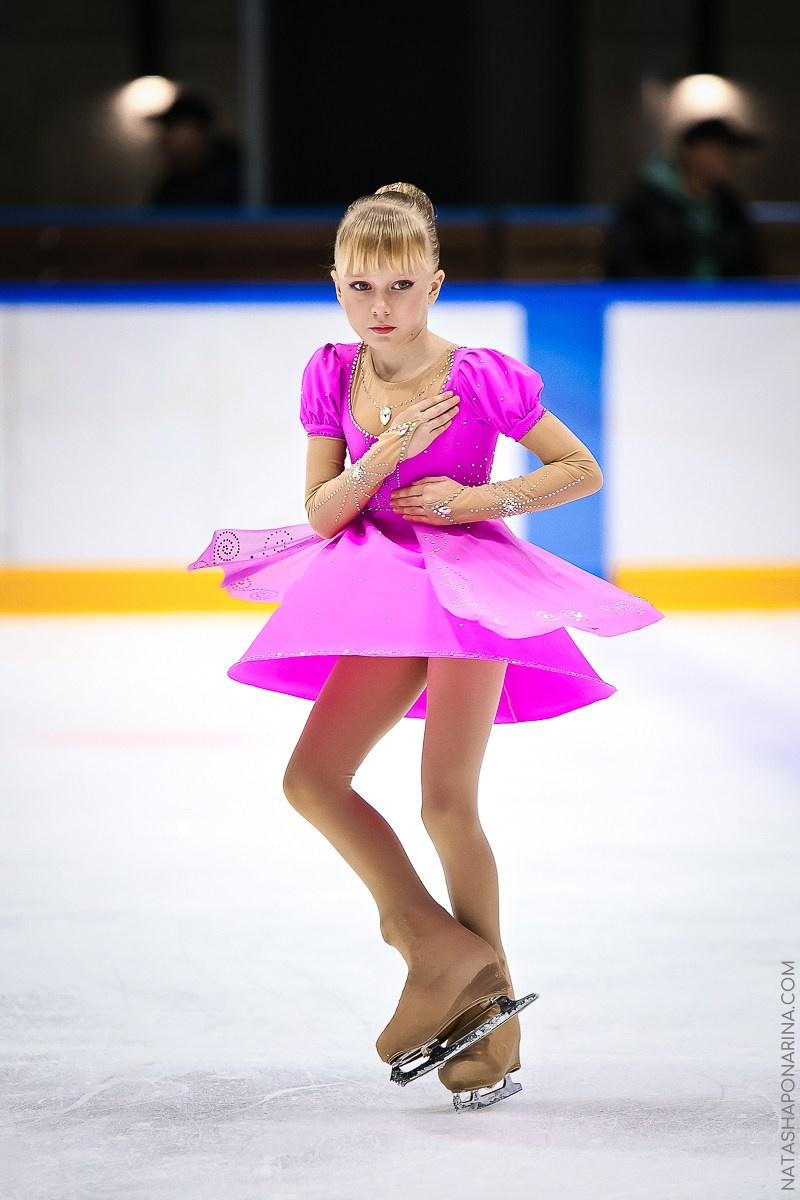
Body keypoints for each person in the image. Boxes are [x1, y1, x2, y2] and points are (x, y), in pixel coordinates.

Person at [187, 183, 665, 1112]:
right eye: (361, 287)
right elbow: (323, 510)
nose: (380, 307)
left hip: (466, 589)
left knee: (448, 807)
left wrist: (472, 501)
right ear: (336, 286)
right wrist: (384, 451)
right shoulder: (332, 372)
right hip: (374, 583)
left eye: (400, 286)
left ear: (435, 285)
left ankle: (495, 1030)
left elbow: (580, 468)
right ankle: (433, 946)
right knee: (311, 780)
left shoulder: (478, 375)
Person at [603, 116, 765, 279]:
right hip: (661, 301)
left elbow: (750, 266)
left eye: (733, 153)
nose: (730, 159)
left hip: (724, 302)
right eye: (721, 150)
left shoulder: (731, 207)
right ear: (692, 151)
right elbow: (623, 264)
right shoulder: (645, 202)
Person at [144, 90, 242, 207]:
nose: (165, 138)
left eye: (172, 129)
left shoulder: (236, 174)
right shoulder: (174, 179)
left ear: (198, 131)